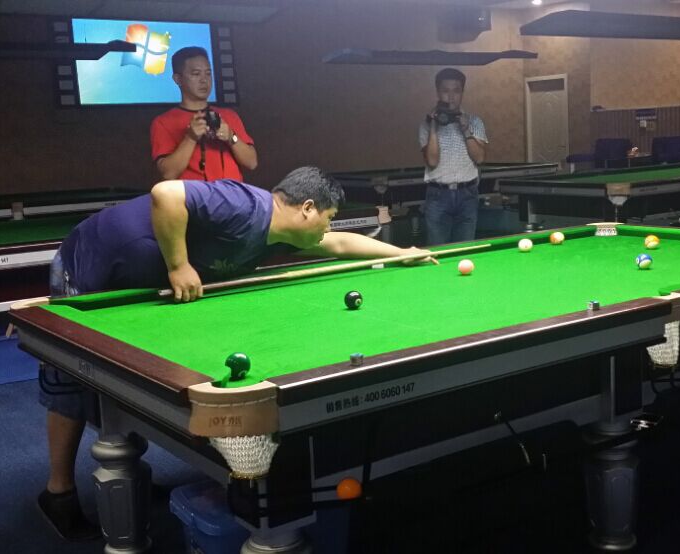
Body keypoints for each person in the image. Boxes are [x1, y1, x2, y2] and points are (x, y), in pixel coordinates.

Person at [36, 167, 433, 540]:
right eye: (328, 218)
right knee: (71, 378)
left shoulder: (280, 234)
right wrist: (179, 265)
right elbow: (166, 193)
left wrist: (400, 252)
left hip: (137, 278)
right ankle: (59, 494)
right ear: (307, 208)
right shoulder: (246, 206)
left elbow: (341, 243)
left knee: (130, 367)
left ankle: (131, 474)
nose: (328, 228)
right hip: (91, 261)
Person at [150, 46, 257, 181]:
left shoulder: (229, 116)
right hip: (193, 193)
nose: (204, 80)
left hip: (231, 192)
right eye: (196, 74)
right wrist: (190, 138)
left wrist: (231, 136)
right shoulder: (163, 122)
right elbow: (168, 174)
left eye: (208, 73)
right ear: (178, 79)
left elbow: (252, 163)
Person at [419, 68, 488, 245]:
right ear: (438, 92)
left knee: (465, 249)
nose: (451, 97)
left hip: (468, 194)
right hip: (437, 196)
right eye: (445, 91)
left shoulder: (474, 122)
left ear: (462, 93)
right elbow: (432, 161)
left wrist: (465, 129)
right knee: (438, 251)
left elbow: (480, 158)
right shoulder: (426, 125)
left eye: (456, 91)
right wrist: (433, 127)